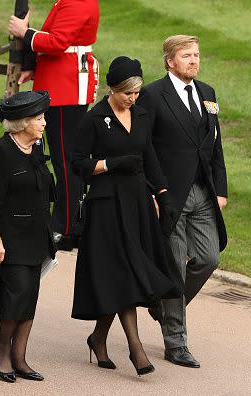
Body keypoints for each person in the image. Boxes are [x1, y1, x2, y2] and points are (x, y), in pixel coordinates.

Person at [71, 56, 183, 376]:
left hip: (137, 204)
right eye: (127, 94)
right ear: (113, 89)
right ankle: (137, 350)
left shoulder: (142, 114)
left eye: (136, 93)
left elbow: (150, 157)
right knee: (123, 272)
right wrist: (109, 164)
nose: (133, 99)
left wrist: (163, 193)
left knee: (128, 272)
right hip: (106, 205)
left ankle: (98, 338)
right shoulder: (94, 119)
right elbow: (78, 163)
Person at [137, 35, 228, 368]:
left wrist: (220, 189)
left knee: (208, 258)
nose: (194, 60)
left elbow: (214, 146)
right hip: (169, 194)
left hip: (203, 191)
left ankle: (163, 305)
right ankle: (176, 342)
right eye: (187, 55)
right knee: (174, 266)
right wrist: (152, 191)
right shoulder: (152, 95)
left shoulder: (207, 93)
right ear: (169, 61)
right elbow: (144, 147)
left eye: (197, 55)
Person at [8, 0, 99, 251]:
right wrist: (32, 66)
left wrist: (24, 32)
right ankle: (69, 223)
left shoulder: (77, 3)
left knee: (67, 162)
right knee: (64, 161)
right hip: (62, 86)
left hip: (65, 90)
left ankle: (69, 229)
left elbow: (58, 43)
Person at [0, 91, 57, 383]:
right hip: (10, 238)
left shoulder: (35, 146)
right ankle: (2, 352)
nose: (44, 123)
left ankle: (20, 356)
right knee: (16, 292)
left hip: (37, 235)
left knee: (30, 294)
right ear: (22, 123)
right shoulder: (2, 152)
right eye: (39, 118)